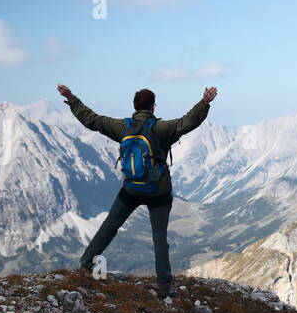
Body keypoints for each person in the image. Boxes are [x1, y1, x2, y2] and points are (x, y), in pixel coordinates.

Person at [57, 83, 218, 298]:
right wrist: (204, 103)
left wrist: (71, 98)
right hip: (158, 192)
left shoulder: (122, 127)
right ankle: (163, 286)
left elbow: (91, 120)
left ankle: (86, 263)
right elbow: (188, 122)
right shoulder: (161, 129)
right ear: (153, 108)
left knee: (111, 224)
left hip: (131, 189)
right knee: (159, 237)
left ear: (134, 107)